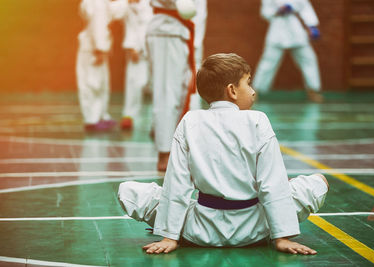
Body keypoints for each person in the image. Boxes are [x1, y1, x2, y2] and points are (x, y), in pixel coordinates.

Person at [118, 53, 329, 254]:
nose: (253, 90)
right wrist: (282, 236)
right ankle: (279, 229)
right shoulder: (258, 120)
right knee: (318, 181)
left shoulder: (190, 121)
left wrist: (169, 236)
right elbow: (272, 183)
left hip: (200, 230)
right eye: (248, 82)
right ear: (232, 90)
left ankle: (175, 230)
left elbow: (177, 183)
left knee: (128, 190)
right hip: (254, 230)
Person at [146, 0, 198, 171]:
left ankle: (169, 140)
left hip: (180, 30)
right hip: (166, 31)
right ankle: (164, 151)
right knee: (166, 93)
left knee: (181, 91)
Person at [253, 0, 323, 103]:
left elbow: (305, 8)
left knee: (309, 59)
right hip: (277, 29)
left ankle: (313, 90)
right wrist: (278, 11)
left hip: (296, 30)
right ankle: (255, 91)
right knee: (268, 62)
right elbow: (265, 12)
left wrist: (311, 26)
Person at [76, 0, 128, 131]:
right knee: (93, 84)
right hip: (93, 49)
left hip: (94, 47)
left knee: (101, 84)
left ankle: (100, 116)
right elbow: (98, 24)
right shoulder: (97, 3)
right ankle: (92, 119)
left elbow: (112, 11)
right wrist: (100, 48)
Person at [120, 0, 153, 130]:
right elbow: (130, 27)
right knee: (133, 83)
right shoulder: (126, 5)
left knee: (155, 86)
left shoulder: (152, 4)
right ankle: (129, 115)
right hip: (136, 51)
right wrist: (132, 47)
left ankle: (155, 121)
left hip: (154, 48)